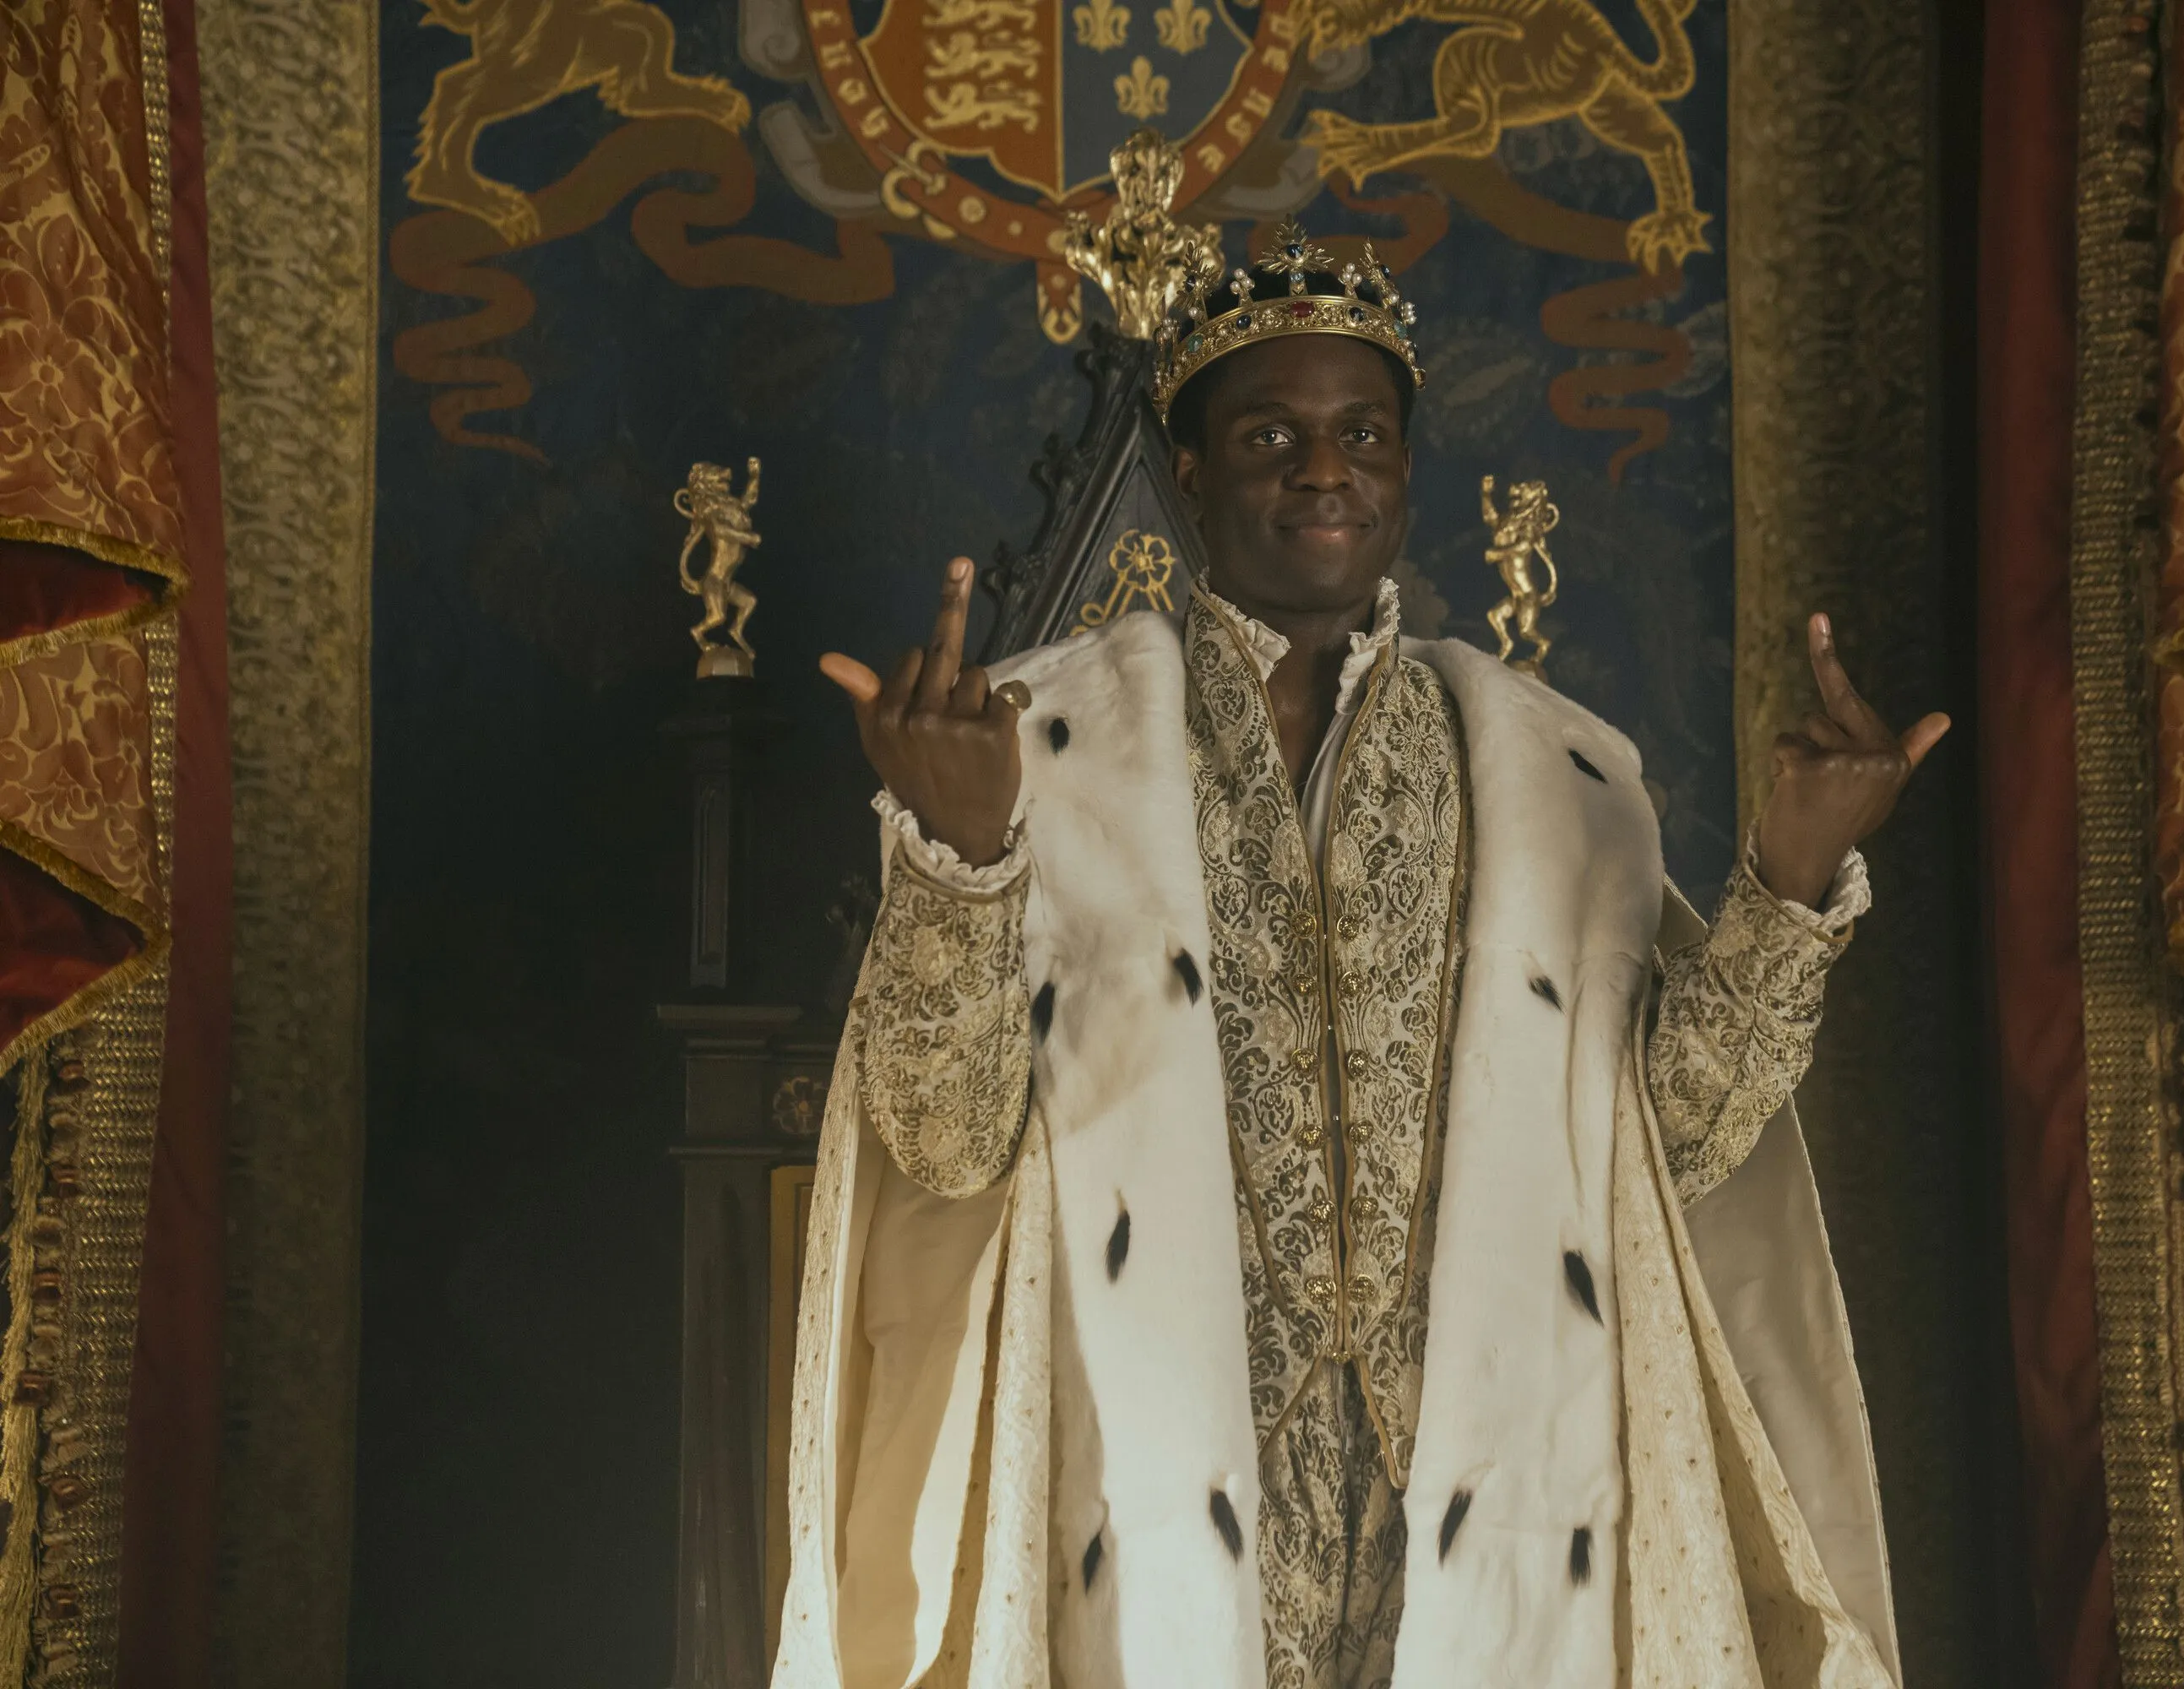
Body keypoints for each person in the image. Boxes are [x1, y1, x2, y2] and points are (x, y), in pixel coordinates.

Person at [774, 221, 1947, 1689]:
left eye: (1362, 435)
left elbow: (1676, 1149)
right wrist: (960, 859)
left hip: (1490, 1492)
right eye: (1270, 434)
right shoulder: (1040, 754)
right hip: (1149, 1497)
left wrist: (1790, 880)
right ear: (1189, 472)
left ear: (1403, 471)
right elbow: (944, 1143)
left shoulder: (1553, 777)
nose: (1323, 470)